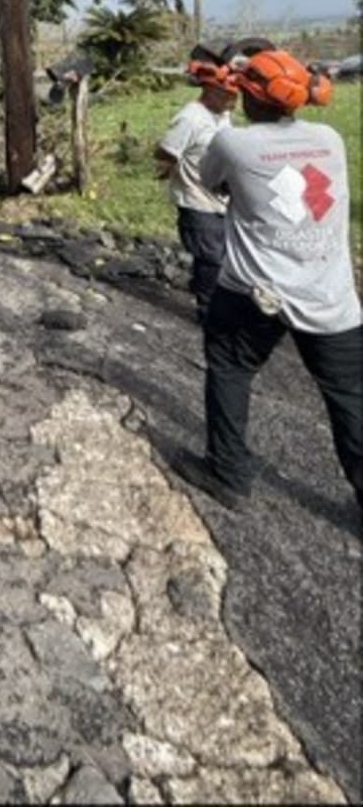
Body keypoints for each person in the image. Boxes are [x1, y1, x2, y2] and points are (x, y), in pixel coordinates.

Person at [171, 48, 362, 517]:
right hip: (332, 295)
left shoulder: (234, 144)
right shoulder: (331, 138)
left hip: (257, 292)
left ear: (251, 97)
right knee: (349, 397)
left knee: (231, 368)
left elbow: (212, 185)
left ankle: (229, 473)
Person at [154, 45, 241, 321]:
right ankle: (207, 312)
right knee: (211, 259)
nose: (233, 100)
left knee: (221, 256)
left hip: (222, 200)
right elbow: (166, 151)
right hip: (196, 201)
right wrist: (168, 171)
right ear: (210, 90)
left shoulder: (223, 114)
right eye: (228, 95)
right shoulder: (190, 118)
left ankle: (207, 292)